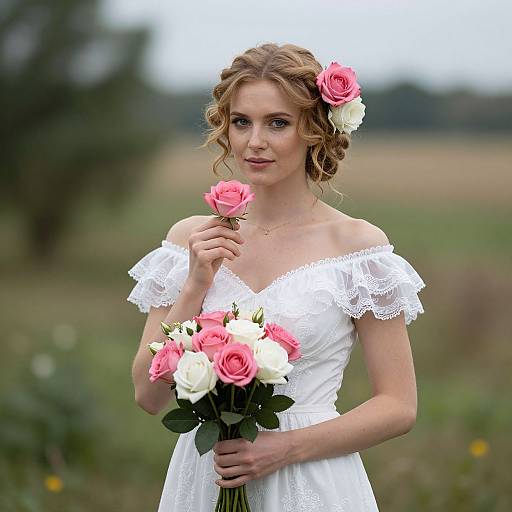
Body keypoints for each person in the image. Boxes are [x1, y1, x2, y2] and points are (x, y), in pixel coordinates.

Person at [127, 42, 426, 512]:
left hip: (313, 480)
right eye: (242, 121)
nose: (254, 141)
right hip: (207, 478)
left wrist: (282, 449)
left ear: (315, 130)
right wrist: (195, 285)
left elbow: (398, 406)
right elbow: (148, 395)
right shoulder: (189, 239)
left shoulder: (357, 249)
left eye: (278, 123)